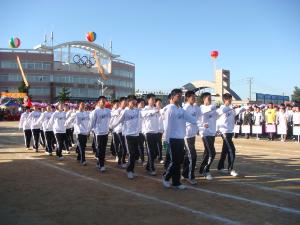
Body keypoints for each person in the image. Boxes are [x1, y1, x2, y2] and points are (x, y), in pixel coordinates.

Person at [162, 89, 198, 189]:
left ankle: (176, 182)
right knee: (174, 161)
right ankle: (165, 177)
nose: (179, 97)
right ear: (172, 97)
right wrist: (166, 140)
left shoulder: (181, 110)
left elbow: (192, 119)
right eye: (178, 96)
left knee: (178, 162)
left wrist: (202, 124)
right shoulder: (170, 109)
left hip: (180, 138)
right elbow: (167, 126)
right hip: (172, 139)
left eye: (180, 96)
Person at [111, 95, 141, 179]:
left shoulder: (137, 111)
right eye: (132, 101)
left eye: (135, 101)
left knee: (134, 154)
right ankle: (129, 170)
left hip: (136, 134)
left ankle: (132, 169)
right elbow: (118, 121)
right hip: (128, 135)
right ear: (128, 102)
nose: (134, 103)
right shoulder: (125, 112)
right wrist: (111, 126)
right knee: (131, 153)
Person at [216, 93, 246, 177]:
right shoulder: (222, 108)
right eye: (229, 99)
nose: (231, 101)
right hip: (224, 132)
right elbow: (222, 111)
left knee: (225, 150)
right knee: (231, 150)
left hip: (230, 132)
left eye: (231, 99)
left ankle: (220, 167)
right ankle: (231, 169)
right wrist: (232, 107)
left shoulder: (231, 109)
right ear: (225, 100)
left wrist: (246, 107)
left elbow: (238, 110)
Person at [181, 90, 201, 185]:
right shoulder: (185, 108)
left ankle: (185, 174)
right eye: (192, 97)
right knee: (192, 156)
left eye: (195, 97)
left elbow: (200, 116)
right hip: (186, 135)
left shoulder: (195, 107)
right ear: (187, 98)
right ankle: (190, 176)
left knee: (187, 156)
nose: (194, 99)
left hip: (192, 135)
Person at [198, 92, 217, 181]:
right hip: (205, 133)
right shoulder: (200, 108)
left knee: (207, 152)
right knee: (212, 152)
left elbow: (218, 115)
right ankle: (206, 170)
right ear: (203, 99)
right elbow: (198, 119)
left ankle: (202, 169)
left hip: (212, 133)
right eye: (208, 98)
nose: (210, 100)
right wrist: (202, 125)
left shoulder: (213, 108)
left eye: (210, 98)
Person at [90, 96, 111, 172]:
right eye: (102, 101)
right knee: (100, 149)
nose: (103, 102)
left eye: (105, 101)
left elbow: (111, 119)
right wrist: (90, 131)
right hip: (98, 133)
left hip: (105, 132)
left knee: (103, 149)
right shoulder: (95, 111)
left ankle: (99, 162)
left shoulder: (108, 111)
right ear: (98, 102)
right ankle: (102, 165)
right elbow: (92, 122)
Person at [141, 94, 160, 176]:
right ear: (148, 100)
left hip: (156, 132)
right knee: (150, 151)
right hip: (148, 132)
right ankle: (151, 168)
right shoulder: (144, 109)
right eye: (152, 99)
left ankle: (148, 166)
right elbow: (144, 114)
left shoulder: (156, 109)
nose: (153, 101)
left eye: (154, 99)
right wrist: (154, 111)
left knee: (155, 152)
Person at [110, 97, 128, 167]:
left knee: (122, 147)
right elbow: (113, 120)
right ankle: (121, 161)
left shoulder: (126, 110)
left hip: (125, 131)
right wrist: (111, 127)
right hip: (119, 130)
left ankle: (121, 160)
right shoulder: (118, 111)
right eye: (124, 103)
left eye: (126, 102)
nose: (126, 104)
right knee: (123, 146)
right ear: (121, 103)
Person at [74, 101, 90, 165]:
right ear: (79, 106)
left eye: (84, 105)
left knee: (83, 145)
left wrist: (88, 131)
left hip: (85, 132)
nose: (83, 106)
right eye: (81, 105)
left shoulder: (86, 113)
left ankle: (79, 156)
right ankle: (83, 159)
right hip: (79, 132)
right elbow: (76, 123)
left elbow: (88, 122)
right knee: (81, 146)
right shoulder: (76, 113)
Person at [137, 98, 146, 164]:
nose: (143, 104)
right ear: (138, 103)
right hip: (135, 131)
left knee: (141, 146)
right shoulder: (135, 111)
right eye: (141, 103)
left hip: (142, 131)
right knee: (136, 146)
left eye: (143, 103)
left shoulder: (145, 110)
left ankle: (142, 159)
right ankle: (136, 158)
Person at [155, 98, 164, 164]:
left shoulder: (162, 111)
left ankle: (160, 157)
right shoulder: (153, 111)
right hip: (154, 130)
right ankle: (156, 156)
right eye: (158, 103)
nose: (160, 104)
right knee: (156, 144)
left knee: (159, 144)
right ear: (155, 104)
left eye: (160, 103)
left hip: (160, 130)